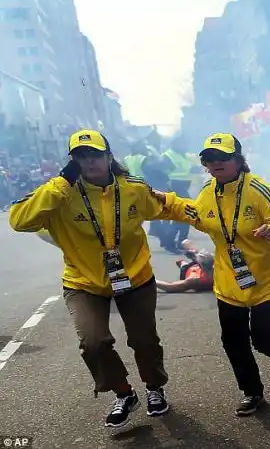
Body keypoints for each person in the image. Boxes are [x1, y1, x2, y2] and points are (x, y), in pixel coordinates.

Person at [7, 129, 187, 428]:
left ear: (109, 156)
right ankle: (124, 393)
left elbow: (167, 204)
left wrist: (209, 216)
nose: (89, 161)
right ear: (73, 162)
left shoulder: (133, 189)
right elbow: (19, 220)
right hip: (83, 282)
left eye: (95, 155)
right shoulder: (61, 192)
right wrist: (61, 183)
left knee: (144, 340)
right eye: (81, 156)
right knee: (93, 343)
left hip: (134, 277)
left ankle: (155, 388)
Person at [163, 133, 270, 417]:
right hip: (229, 279)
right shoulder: (208, 191)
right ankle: (252, 392)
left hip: (267, 278)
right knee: (233, 340)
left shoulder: (260, 190)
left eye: (222, 158)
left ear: (238, 159)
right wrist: (163, 201)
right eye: (209, 159)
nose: (215, 163)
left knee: (263, 338)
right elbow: (197, 215)